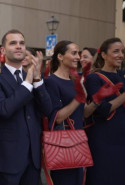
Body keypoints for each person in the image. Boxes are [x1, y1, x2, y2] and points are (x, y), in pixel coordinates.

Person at [0, 29, 52, 185]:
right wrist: (28, 81)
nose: (19, 46)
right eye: (13, 43)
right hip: (8, 159)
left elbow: (48, 110)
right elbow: (4, 110)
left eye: (22, 43)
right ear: (3, 50)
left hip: (33, 158)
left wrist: (37, 79)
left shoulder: (33, 76)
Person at [45, 40, 89, 185]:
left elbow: (83, 114)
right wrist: (78, 99)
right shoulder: (52, 81)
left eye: (79, 53)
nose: (78, 57)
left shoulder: (75, 81)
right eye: (74, 53)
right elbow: (56, 118)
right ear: (60, 56)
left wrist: (97, 101)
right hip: (64, 145)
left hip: (79, 142)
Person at [85, 37, 125, 185]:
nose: (120, 55)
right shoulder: (94, 78)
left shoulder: (122, 76)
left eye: (122, 51)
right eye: (116, 51)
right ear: (103, 55)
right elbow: (103, 110)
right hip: (104, 140)